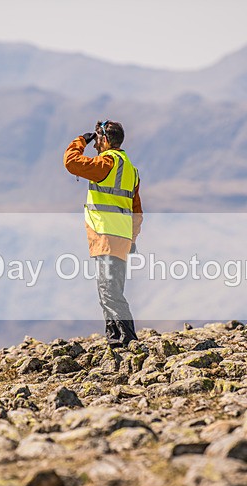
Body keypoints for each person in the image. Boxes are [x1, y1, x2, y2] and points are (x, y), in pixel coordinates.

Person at [64, 120, 143, 348]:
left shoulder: (107, 163)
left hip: (106, 238)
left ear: (106, 140)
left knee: (109, 293)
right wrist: (132, 239)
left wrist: (81, 140)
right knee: (111, 291)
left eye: (98, 139)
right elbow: (136, 212)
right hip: (121, 241)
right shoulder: (130, 169)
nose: (96, 144)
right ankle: (116, 341)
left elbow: (71, 162)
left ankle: (126, 341)